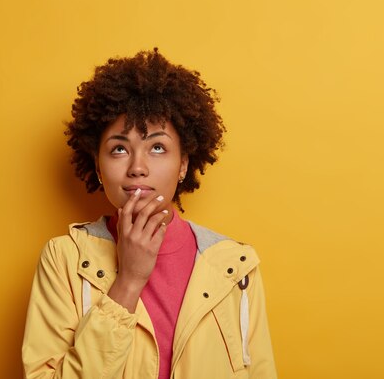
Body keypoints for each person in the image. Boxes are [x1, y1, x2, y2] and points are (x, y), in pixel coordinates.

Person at [22, 49, 277, 379]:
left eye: (157, 147)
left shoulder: (235, 267)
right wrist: (128, 282)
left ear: (183, 163)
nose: (137, 168)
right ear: (98, 166)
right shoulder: (64, 260)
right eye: (119, 149)